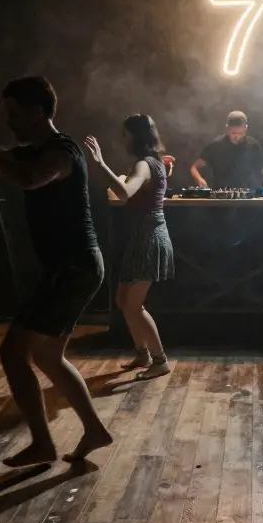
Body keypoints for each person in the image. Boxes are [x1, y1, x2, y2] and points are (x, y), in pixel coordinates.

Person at [0, 76, 114, 466]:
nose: (10, 122)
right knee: (49, 357)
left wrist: (3, 157)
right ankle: (95, 431)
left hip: (72, 268)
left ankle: (42, 444)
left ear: (37, 112)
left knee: (13, 354)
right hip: (71, 268)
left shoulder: (62, 151)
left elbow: (32, 179)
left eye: (15, 114)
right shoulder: (30, 151)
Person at [84, 115, 175, 380]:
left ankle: (160, 361)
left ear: (135, 136)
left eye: (124, 134)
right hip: (142, 236)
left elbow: (125, 192)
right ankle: (143, 354)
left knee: (133, 305)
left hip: (149, 237)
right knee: (123, 301)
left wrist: (100, 163)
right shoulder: (153, 162)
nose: (122, 139)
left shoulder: (145, 164)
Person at [189, 111, 263, 190]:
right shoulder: (215, 145)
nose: (236, 136)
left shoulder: (253, 145)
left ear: (245, 128)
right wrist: (199, 179)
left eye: (240, 133)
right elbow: (194, 168)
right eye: (233, 133)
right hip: (220, 197)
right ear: (227, 128)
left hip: (248, 197)